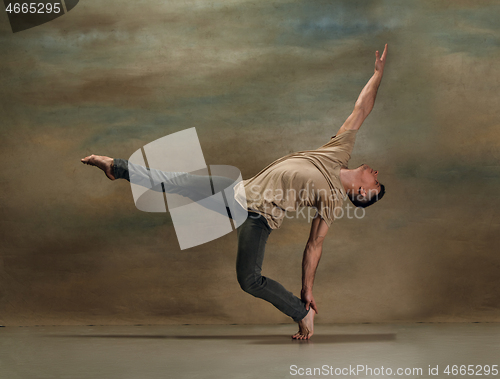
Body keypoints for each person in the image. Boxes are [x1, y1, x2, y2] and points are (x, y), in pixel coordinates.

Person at [81, 44, 388, 340]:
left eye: (375, 183)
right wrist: (377, 74)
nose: (375, 174)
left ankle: (299, 312)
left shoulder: (333, 200)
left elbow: (314, 246)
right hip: (236, 190)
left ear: (361, 192)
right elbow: (361, 109)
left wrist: (307, 291)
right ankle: (116, 167)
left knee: (249, 280)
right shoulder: (337, 152)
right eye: (377, 178)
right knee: (176, 182)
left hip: (258, 217)